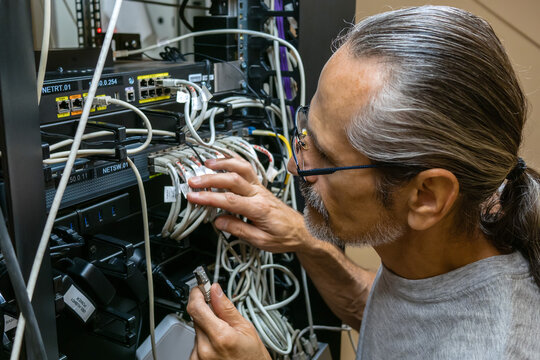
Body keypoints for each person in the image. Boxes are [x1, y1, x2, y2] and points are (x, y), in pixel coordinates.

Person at [185, 5, 540, 360]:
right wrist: (304, 238)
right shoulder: (459, 240)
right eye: (306, 134)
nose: (294, 165)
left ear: (427, 196)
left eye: (325, 157)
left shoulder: (497, 348)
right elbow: (407, 323)